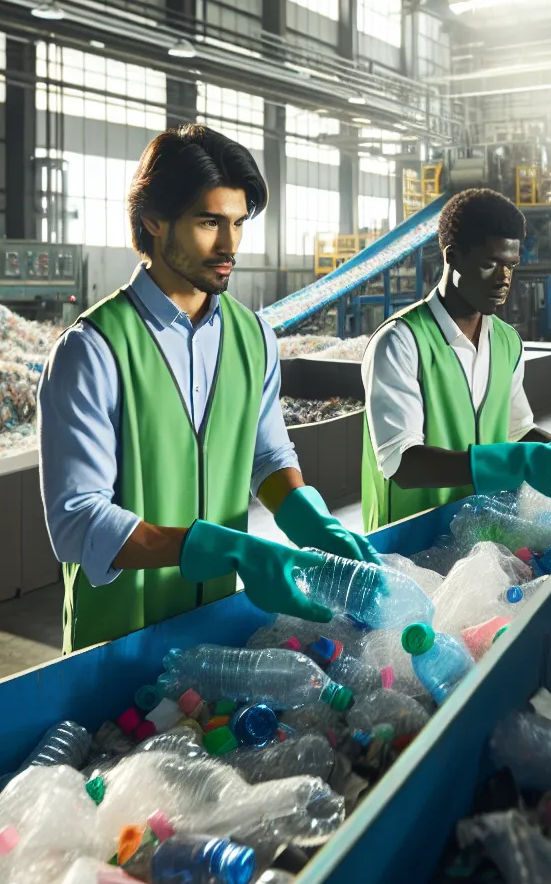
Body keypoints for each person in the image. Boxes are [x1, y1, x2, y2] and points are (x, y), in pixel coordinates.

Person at [39, 125, 373, 652]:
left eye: (238, 223)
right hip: (117, 644)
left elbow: (266, 456)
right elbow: (77, 521)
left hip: (217, 631)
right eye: (209, 222)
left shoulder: (253, 336)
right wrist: (225, 550)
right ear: (153, 219)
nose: (229, 245)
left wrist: (311, 520)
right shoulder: (93, 349)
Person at [361, 187, 551, 531]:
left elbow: (518, 430)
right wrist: (518, 461)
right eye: (490, 264)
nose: (504, 279)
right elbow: (402, 464)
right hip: (411, 542)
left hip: (483, 535)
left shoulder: (507, 342)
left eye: (511, 265)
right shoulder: (400, 341)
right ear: (452, 256)